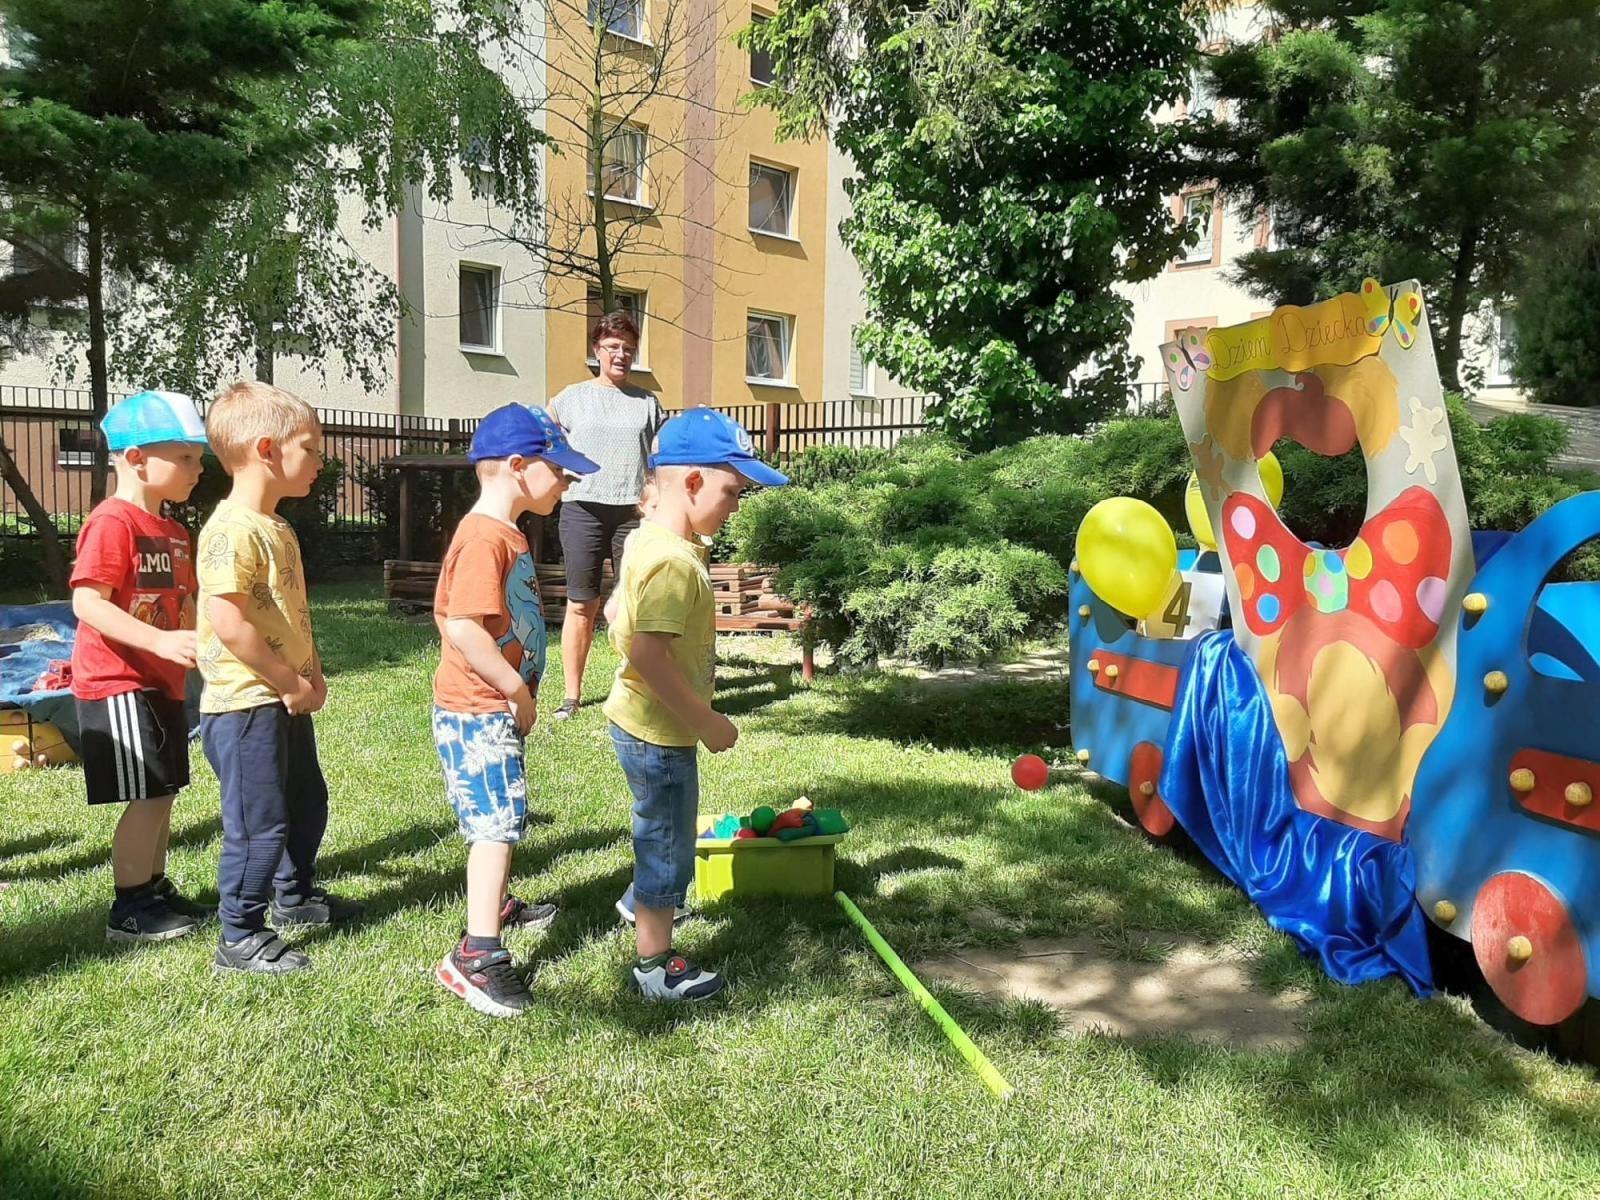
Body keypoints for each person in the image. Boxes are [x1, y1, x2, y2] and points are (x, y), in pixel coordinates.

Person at [604, 409, 788, 1000]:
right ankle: (655, 967)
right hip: (662, 731)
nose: (735, 506)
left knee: (664, 830)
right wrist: (705, 719)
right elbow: (649, 654)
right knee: (666, 842)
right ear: (690, 484)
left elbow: (615, 617)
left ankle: (640, 903)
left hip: (644, 721)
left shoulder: (651, 542)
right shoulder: (672, 563)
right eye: (731, 491)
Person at [431, 404, 598, 1018]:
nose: (569, 483)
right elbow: (464, 627)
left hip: (492, 705)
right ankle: (476, 954)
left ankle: (494, 904)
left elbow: (463, 615)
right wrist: (515, 689)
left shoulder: (505, 532)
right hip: (481, 708)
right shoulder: (483, 538)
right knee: (496, 826)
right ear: (519, 466)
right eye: (561, 471)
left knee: (504, 815)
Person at [195, 381, 357, 974]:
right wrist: (288, 681)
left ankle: (293, 897)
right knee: (257, 823)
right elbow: (229, 623)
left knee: (304, 802)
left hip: (282, 696)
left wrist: (308, 676)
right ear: (267, 449)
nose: (320, 460)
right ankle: (238, 933)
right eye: (311, 448)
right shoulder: (233, 529)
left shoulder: (276, 526)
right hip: (245, 705)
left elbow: (284, 612)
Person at [69, 390, 211, 942]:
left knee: (165, 788)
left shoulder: (175, 533)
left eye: (198, 459)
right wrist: (158, 639)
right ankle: (129, 907)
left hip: (163, 684)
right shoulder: (112, 523)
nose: (197, 471)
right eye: (185, 458)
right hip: (118, 681)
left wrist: (202, 645)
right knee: (147, 792)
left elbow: (188, 604)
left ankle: (153, 887)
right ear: (135, 458)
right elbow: (89, 602)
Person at [546, 311, 666, 721]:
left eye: (629, 349)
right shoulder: (571, 398)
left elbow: (660, 459)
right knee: (583, 602)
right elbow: (544, 437)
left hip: (632, 513)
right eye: (613, 347)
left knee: (637, 605)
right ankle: (572, 697)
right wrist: (559, 470)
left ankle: (640, 688)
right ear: (597, 350)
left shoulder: (647, 402)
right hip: (582, 508)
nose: (621, 355)